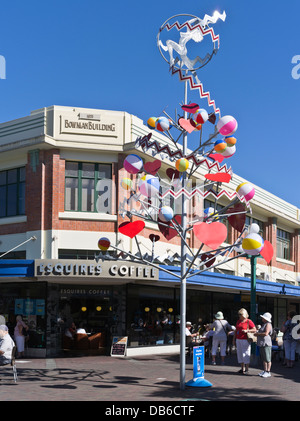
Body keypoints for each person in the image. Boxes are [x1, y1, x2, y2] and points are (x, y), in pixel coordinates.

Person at [233, 308, 256, 374]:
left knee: (246, 353)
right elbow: (236, 330)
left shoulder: (249, 321)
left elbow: (254, 329)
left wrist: (247, 330)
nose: (239, 316)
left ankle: (247, 369)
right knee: (240, 353)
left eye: (241, 315)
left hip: (245, 339)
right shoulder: (238, 321)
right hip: (238, 339)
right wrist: (234, 339)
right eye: (239, 315)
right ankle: (242, 368)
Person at [255, 312, 273, 378]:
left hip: (266, 343)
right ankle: (265, 370)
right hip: (262, 343)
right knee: (264, 358)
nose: (262, 318)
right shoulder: (264, 324)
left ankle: (268, 371)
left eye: (263, 317)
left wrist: (258, 334)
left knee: (267, 358)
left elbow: (266, 333)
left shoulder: (268, 324)